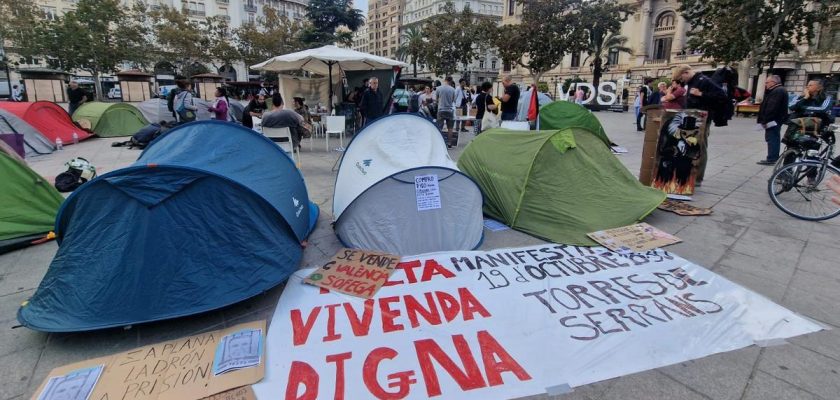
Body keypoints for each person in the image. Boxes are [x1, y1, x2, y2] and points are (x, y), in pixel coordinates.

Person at [674, 64, 728, 186]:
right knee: (692, 145)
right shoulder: (693, 82)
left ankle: (698, 177)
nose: (682, 81)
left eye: (682, 79)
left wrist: (701, 94)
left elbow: (722, 97)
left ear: (686, 72)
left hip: (702, 120)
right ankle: (690, 173)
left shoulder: (704, 81)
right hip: (692, 118)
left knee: (700, 147)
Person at [756, 75, 788, 165]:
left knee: (772, 138)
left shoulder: (777, 91)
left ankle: (772, 158)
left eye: (767, 82)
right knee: (773, 138)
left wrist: (765, 120)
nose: (765, 84)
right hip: (776, 120)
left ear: (773, 82)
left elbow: (772, 107)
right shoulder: (779, 90)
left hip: (773, 121)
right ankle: (772, 157)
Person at [435, 76, 457, 148]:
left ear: (444, 80)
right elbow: (454, 100)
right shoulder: (453, 89)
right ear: (451, 81)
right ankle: (449, 143)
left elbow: (436, 99)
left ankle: (439, 142)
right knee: (450, 128)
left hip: (441, 110)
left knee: (439, 127)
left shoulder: (438, 88)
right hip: (450, 110)